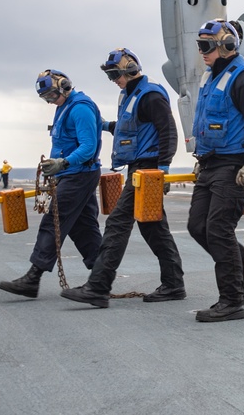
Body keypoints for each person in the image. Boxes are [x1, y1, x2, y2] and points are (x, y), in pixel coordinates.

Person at [61, 48, 185, 308]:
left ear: (130, 69)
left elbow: (168, 131)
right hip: (139, 169)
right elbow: (131, 128)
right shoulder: (131, 95)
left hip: (148, 170)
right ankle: (174, 283)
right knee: (153, 227)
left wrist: (162, 171)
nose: (114, 80)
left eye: (116, 74)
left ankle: (98, 287)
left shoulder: (150, 95)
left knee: (117, 223)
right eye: (111, 76)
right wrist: (105, 125)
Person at [187, 19, 244, 323]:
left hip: (234, 165)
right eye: (200, 46)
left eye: (206, 46)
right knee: (198, 226)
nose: (202, 52)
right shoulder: (211, 76)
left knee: (218, 230)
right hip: (211, 163)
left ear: (227, 45)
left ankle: (232, 301)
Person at [0, 70, 105, 299]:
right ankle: (100, 281)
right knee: (83, 227)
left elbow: (88, 146)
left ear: (65, 86)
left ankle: (32, 278)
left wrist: (63, 162)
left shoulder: (79, 107)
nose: (50, 100)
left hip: (78, 175)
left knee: (53, 221)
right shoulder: (64, 107)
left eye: (52, 95)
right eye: (46, 98)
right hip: (73, 174)